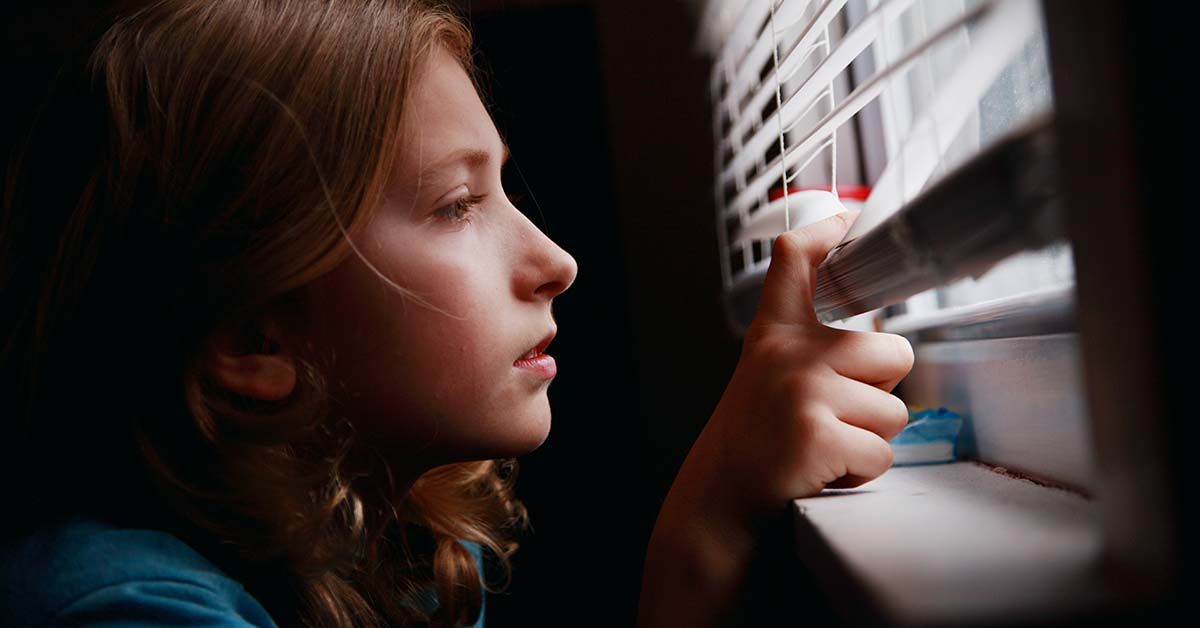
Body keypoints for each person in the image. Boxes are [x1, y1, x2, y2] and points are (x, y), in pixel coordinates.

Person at [0, 1, 913, 626]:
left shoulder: (407, 552)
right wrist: (704, 521)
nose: (557, 262)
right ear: (256, 337)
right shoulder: (129, 607)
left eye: (501, 187)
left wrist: (707, 520)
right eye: (454, 205)